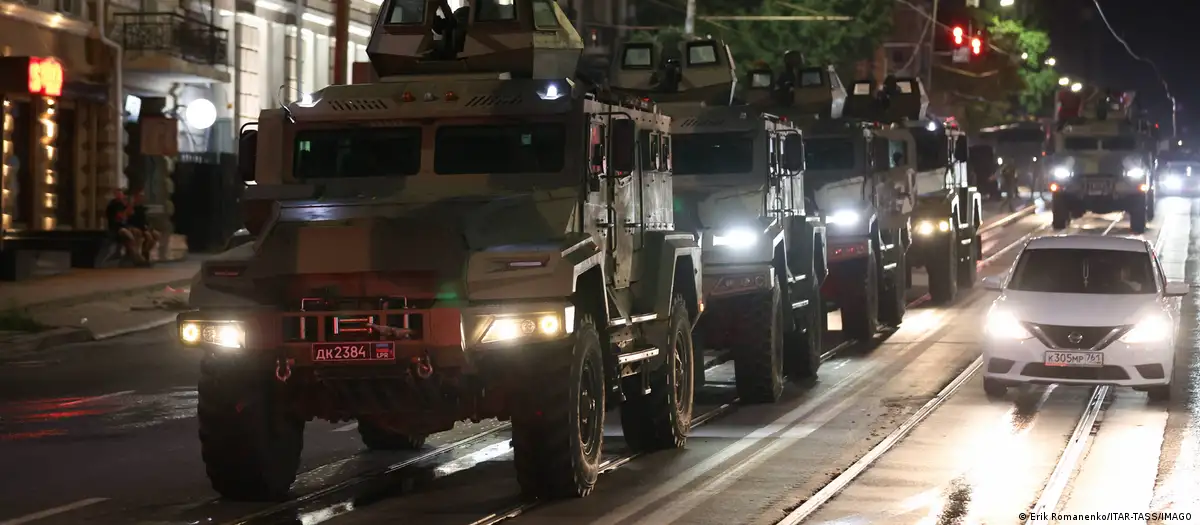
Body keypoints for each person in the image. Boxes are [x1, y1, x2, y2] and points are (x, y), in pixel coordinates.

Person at [105, 189, 147, 265]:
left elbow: (128, 219)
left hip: (125, 227)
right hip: (116, 228)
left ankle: (135, 255)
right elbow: (116, 221)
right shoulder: (112, 206)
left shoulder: (125, 206)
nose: (121, 196)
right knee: (127, 234)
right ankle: (136, 257)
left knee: (136, 232)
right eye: (118, 194)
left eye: (121, 195)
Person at [127, 190, 158, 265]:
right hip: (136, 227)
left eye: (142, 196)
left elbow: (145, 220)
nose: (142, 198)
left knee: (156, 235)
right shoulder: (132, 207)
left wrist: (148, 227)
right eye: (140, 196)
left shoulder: (142, 208)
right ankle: (142, 255)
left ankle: (146, 250)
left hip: (143, 227)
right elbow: (132, 220)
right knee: (149, 237)